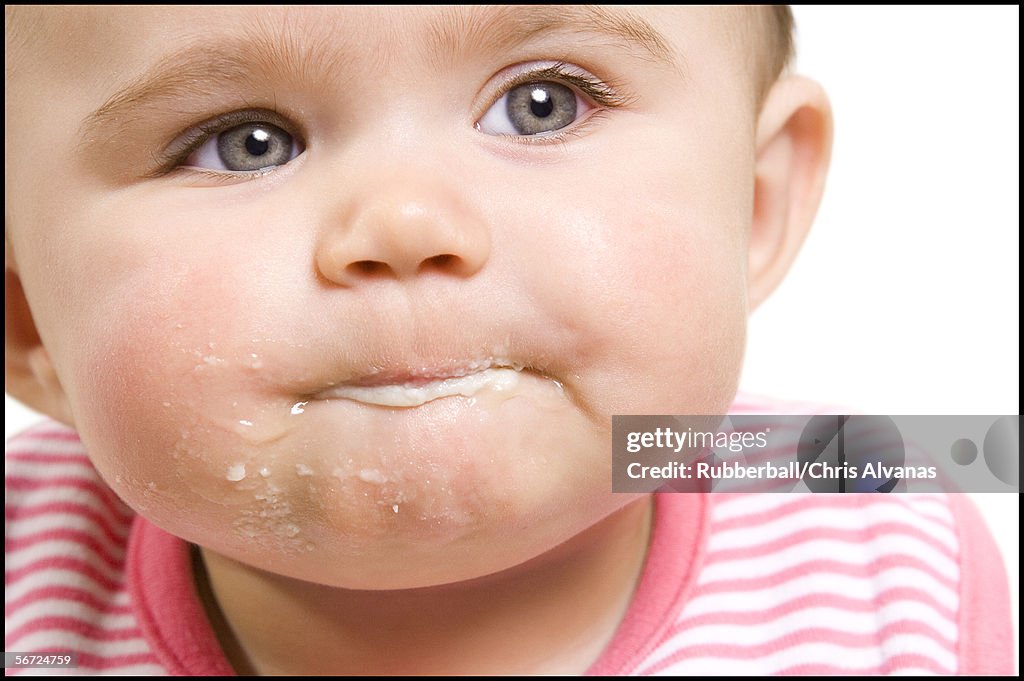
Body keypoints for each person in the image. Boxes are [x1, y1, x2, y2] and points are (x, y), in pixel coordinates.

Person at [4, 5, 1012, 675]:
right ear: (26, 320)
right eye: (244, 142)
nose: (404, 225)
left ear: (749, 204)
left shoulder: (865, 517)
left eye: (542, 105)